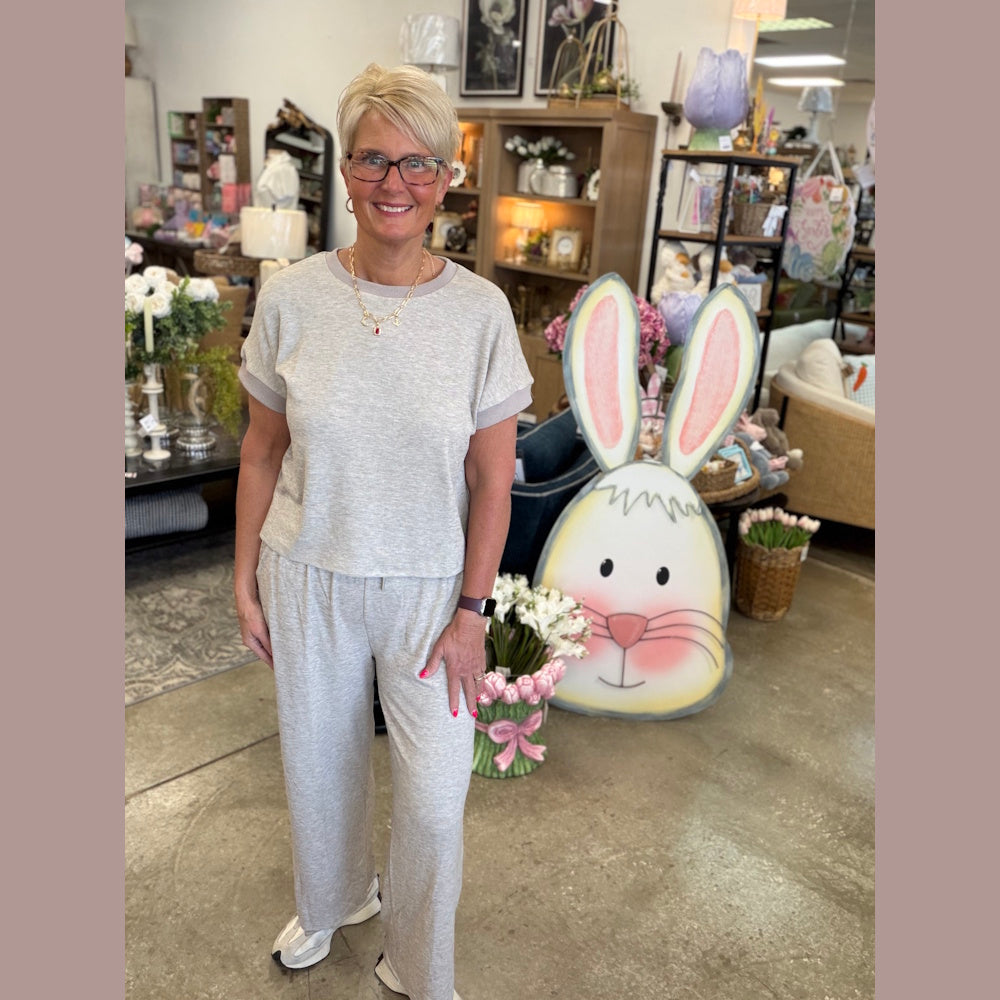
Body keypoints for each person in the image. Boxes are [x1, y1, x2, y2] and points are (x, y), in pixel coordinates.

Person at [234, 63, 532, 1000]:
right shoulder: (291, 298)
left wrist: (475, 611)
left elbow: (492, 479)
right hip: (308, 572)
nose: (393, 182)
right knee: (320, 775)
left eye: (417, 162)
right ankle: (334, 902)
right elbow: (261, 451)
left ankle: (417, 959)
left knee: (435, 803)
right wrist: (242, 580)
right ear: (347, 168)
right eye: (372, 159)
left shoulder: (481, 314)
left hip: (431, 594)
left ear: (446, 178)